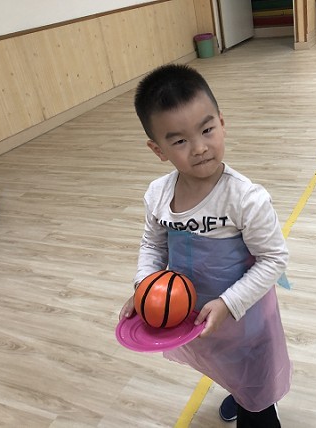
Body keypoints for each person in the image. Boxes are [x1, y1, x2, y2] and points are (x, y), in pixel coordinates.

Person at [119, 64, 292, 427]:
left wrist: (229, 304)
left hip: (244, 318)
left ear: (222, 124)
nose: (199, 148)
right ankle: (238, 391)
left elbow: (273, 260)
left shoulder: (246, 199)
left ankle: (255, 403)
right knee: (223, 366)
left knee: (255, 392)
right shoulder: (158, 195)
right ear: (158, 149)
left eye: (207, 130)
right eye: (179, 141)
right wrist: (144, 286)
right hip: (196, 315)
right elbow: (153, 246)